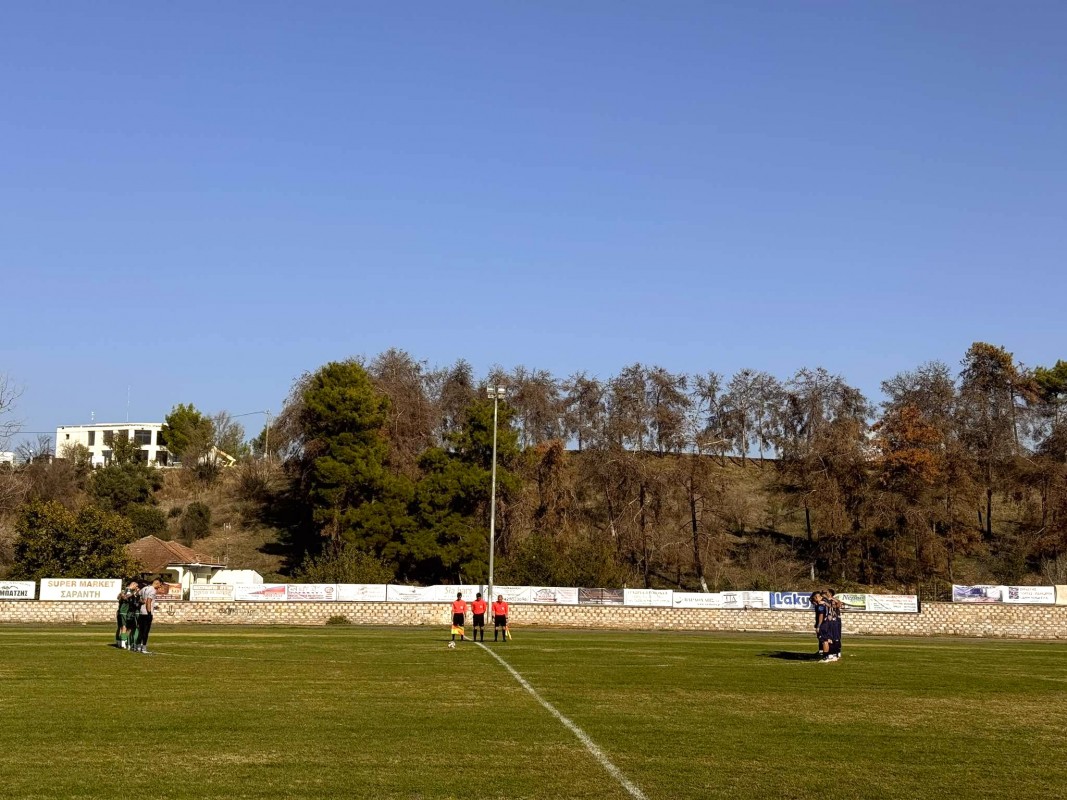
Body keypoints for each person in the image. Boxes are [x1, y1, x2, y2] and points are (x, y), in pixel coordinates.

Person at [136, 578, 163, 653]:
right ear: (157, 583)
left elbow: (137, 595)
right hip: (147, 613)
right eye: (160, 585)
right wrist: (149, 612)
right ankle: (144, 648)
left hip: (141, 612)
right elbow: (148, 601)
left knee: (141, 631)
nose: (160, 587)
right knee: (145, 631)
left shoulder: (145, 588)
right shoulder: (153, 590)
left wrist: (141, 601)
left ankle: (138, 647)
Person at [116, 581, 140, 650]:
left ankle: (122, 642)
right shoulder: (127, 590)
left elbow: (120, 597)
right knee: (124, 627)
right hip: (124, 612)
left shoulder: (128, 591)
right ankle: (123, 643)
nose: (136, 588)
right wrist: (131, 592)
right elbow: (124, 597)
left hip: (127, 612)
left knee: (126, 627)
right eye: (136, 586)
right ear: (133, 585)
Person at [825, 588, 843, 660]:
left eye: (827, 592)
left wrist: (833, 600)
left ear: (830, 593)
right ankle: (830, 652)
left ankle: (837, 652)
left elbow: (839, 604)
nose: (826, 594)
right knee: (829, 637)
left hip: (835, 621)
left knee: (836, 637)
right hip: (829, 621)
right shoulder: (826, 600)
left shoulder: (833, 600)